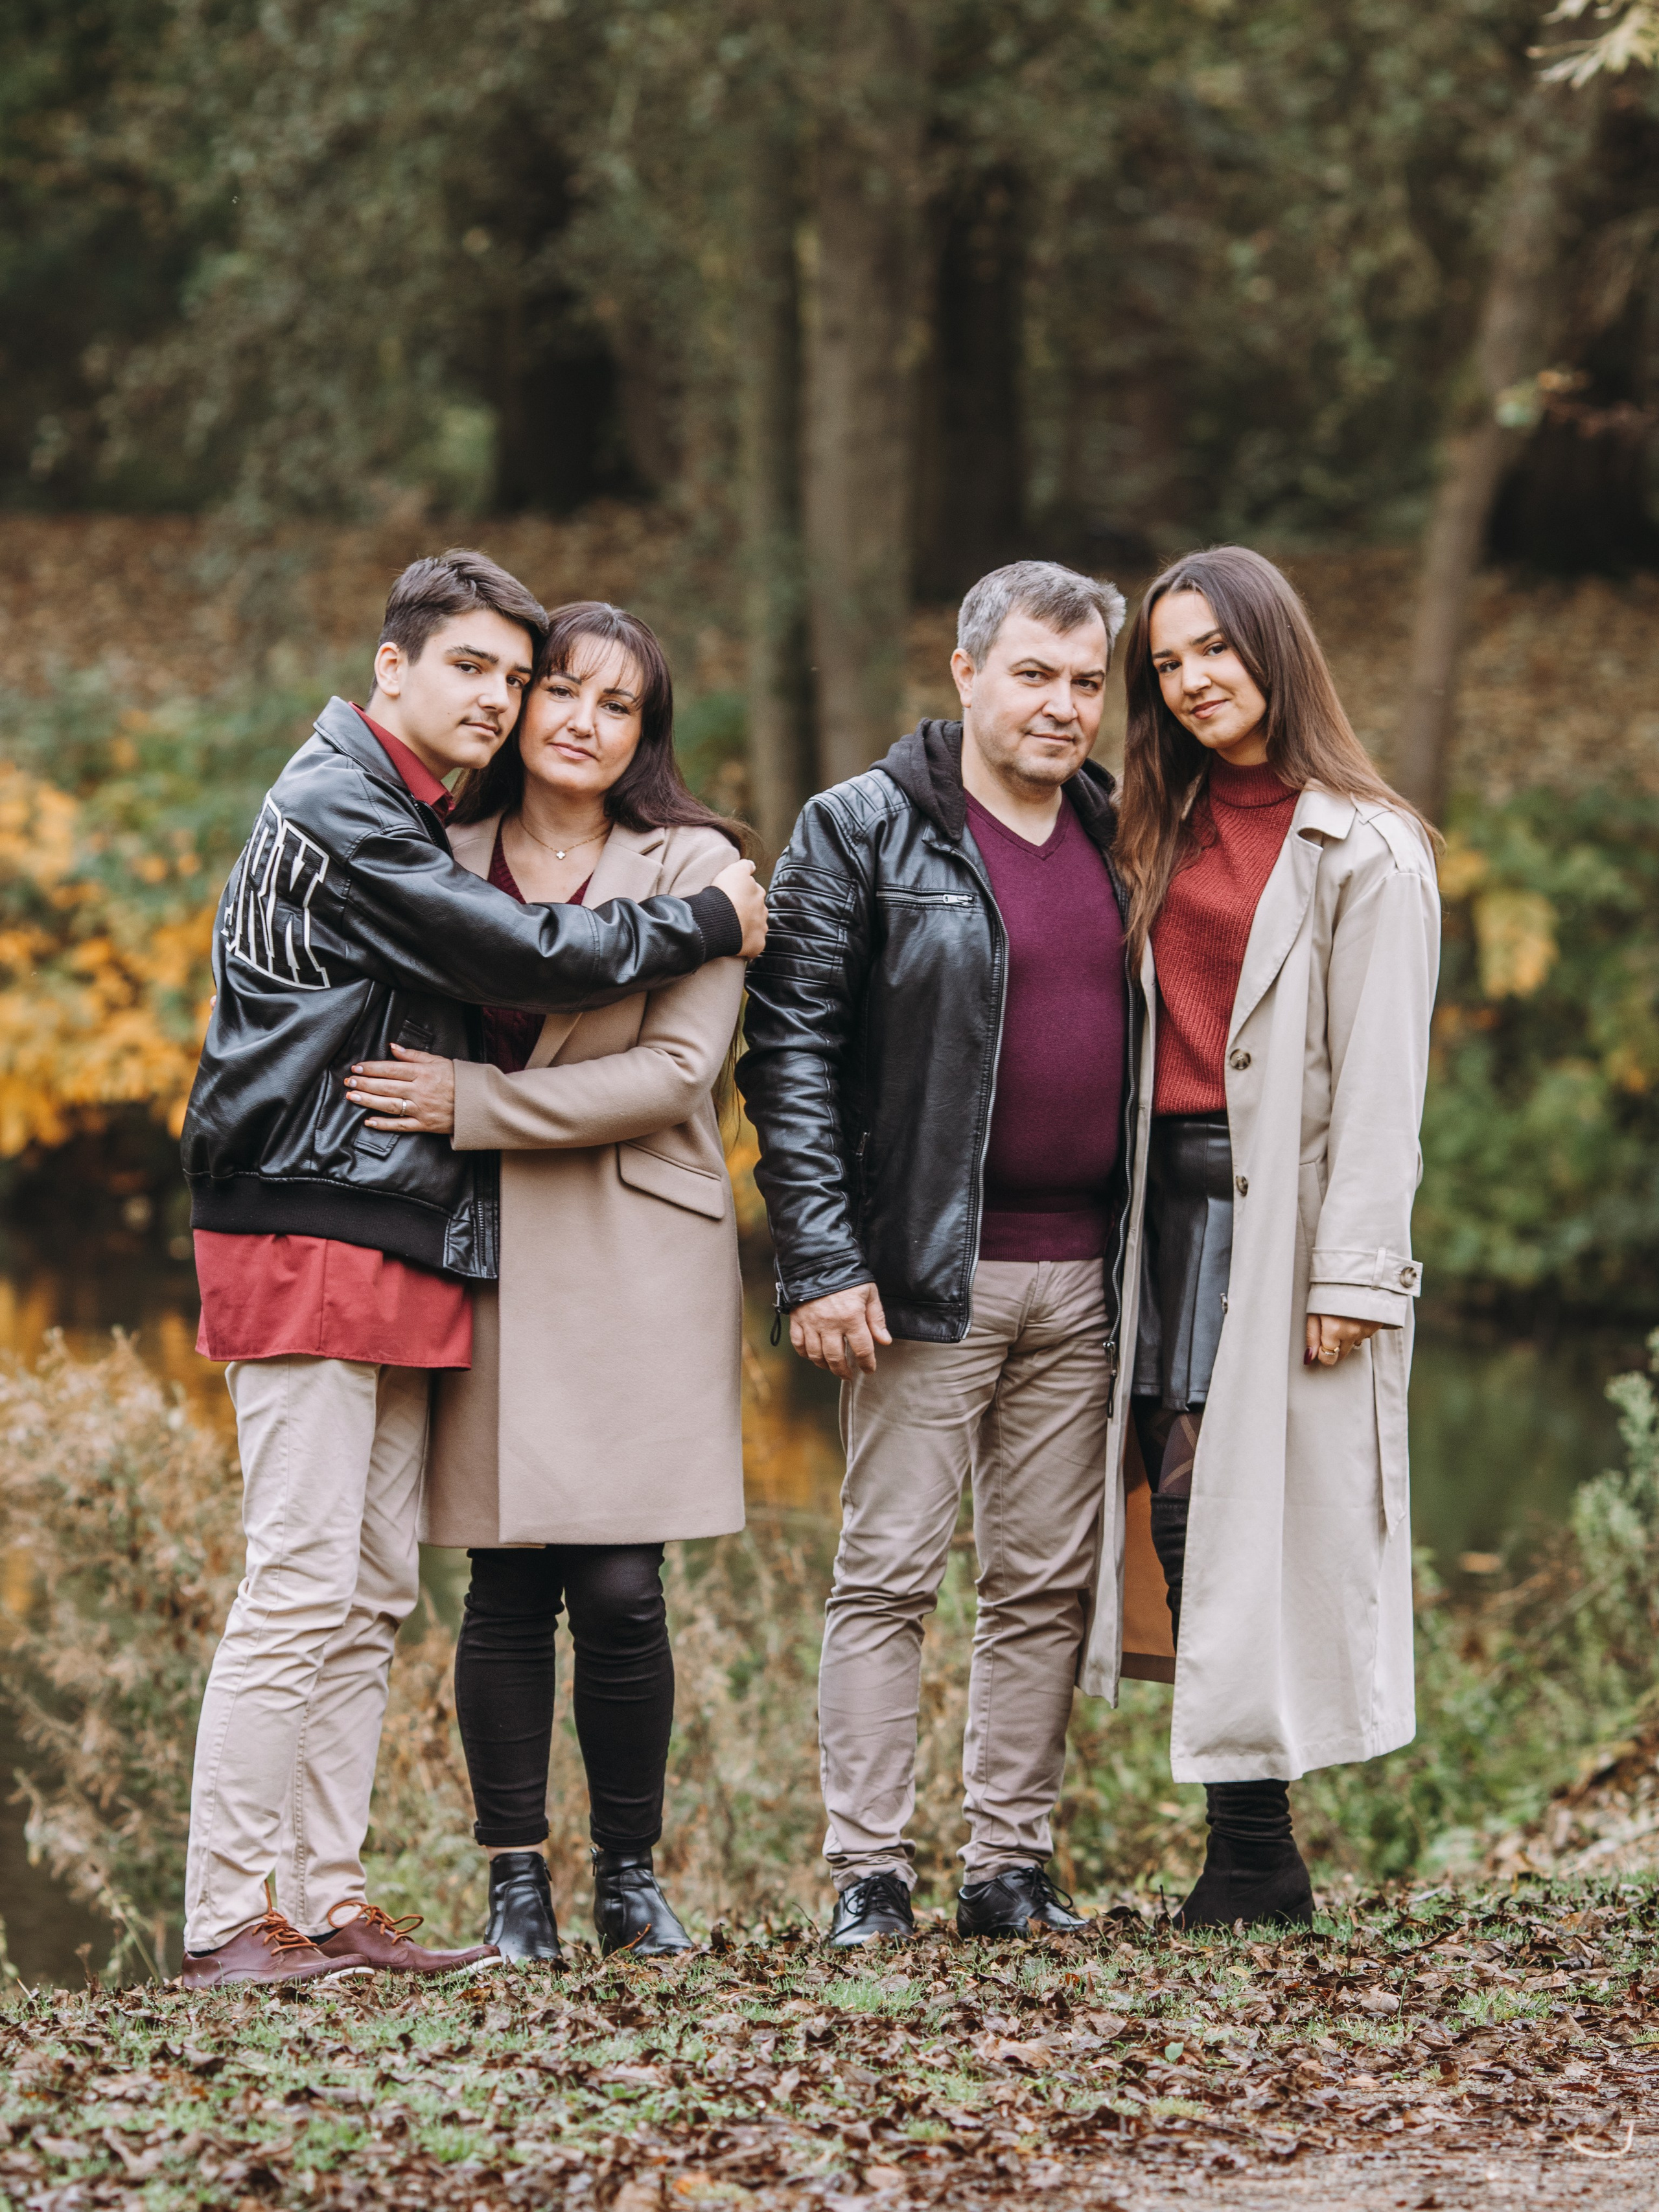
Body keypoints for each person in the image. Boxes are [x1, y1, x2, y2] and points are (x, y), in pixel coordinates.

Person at [178, 551, 766, 1989]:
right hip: (304, 1211)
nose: (507, 702)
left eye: (522, 675)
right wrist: (712, 917)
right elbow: (517, 948)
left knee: (374, 1586)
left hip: (396, 1223)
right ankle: (218, 1917)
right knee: (302, 1579)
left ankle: (327, 1900)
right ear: (393, 667)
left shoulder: (412, 806)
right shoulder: (349, 806)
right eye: (482, 671)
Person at [346, 602, 748, 1966]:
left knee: (625, 1584)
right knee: (505, 1586)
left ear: (646, 732)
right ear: (516, 708)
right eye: (557, 690)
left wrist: (469, 1099)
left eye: (614, 703)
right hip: (485, 1248)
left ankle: (630, 1880)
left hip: (639, 1249)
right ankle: (515, 1887)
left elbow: (673, 1076)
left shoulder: (700, 866)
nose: (579, 719)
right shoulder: (437, 853)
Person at [739, 559, 1133, 1946]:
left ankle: (1007, 1868)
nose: (1062, 706)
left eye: (1086, 682)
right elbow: (785, 1049)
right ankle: (868, 1875)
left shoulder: (1121, 836)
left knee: (1041, 1583)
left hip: (1087, 1277)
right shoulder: (860, 830)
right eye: (1034, 673)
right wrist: (820, 1257)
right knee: (888, 1571)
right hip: (919, 1275)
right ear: (963, 672)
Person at [1084, 544, 1440, 1927]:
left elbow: (1382, 1084)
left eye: (1212, 652)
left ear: (1271, 649)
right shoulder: (1142, 819)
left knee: (1209, 1502)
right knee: (1169, 1495)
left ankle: (1251, 1855)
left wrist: (1353, 1270)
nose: (1189, 683)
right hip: (1151, 1206)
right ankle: (1248, 1853)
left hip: (1273, 1212)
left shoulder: (1367, 844)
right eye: (1165, 664)